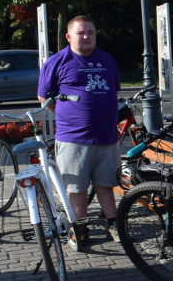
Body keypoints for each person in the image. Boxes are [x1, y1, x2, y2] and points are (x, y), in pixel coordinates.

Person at [37, 15, 121, 244]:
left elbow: (114, 92)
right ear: (69, 36)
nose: (86, 37)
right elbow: (44, 97)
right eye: (81, 33)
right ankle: (80, 228)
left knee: (106, 185)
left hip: (107, 137)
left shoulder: (108, 60)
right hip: (74, 138)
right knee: (76, 188)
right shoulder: (56, 62)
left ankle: (114, 225)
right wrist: (72, 115)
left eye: (90, 33)